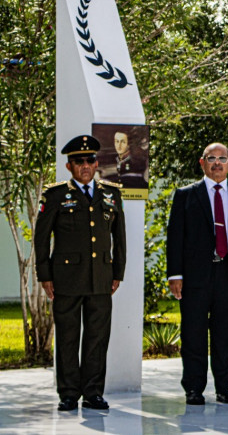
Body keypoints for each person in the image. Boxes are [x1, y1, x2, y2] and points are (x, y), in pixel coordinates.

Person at [34, 135, 126, 411]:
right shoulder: (55, 195)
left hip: (101, 277)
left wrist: (117, 272)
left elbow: (119, 238)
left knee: (97, 337)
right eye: (79, 161)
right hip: (66, 279)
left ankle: (93, 392)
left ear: (96, 163)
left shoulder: (111, 194)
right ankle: (69, 393)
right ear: (69, 166)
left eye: (90, 160)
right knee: (68, 336)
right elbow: (41, 238)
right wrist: (44, 275)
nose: (85, 165)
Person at [166, 142, 228, 405]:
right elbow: (175, 237)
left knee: (224, 336)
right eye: (211, 158)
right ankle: (194, 388)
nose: (217, 163)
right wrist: (175, 274)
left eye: (222, 158)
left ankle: (225, 387)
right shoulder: (186, 195)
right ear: (202, 162)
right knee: (193, 334)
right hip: (195, 277)